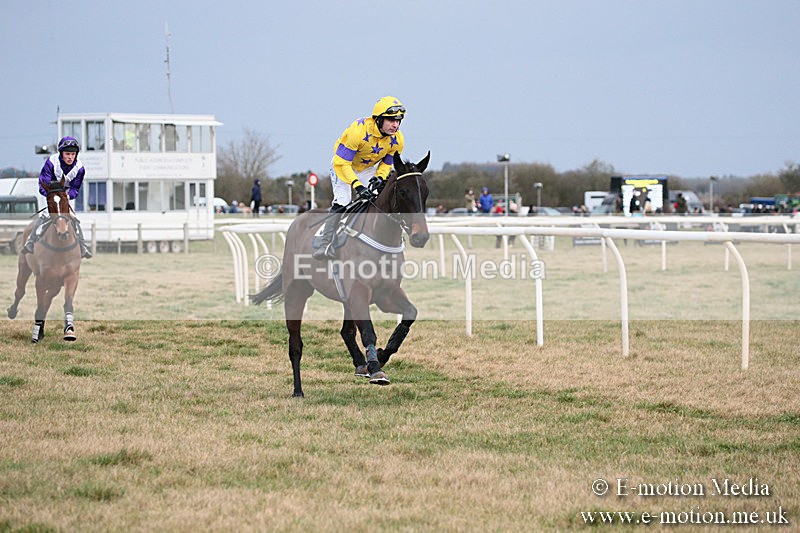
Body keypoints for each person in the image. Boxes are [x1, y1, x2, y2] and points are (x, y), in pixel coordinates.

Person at [313, 96, 406, 260]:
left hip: (366, 169)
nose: (395, 125)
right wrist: (358, 186)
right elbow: (343, 164)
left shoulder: (397, 140)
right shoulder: (357, 132)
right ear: (378, 119)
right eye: (391, 120)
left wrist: (380, 177)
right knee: (343, 199)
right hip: (342, 166)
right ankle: (325, 243)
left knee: (378, 198)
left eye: (398, 120)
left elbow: (386, 163)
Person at [23, 136, 92, 258]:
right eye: (67, 154)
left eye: (73, 154)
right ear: (61, 153)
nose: (70, 157)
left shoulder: (80, 168)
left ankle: (82, 246)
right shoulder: (51, 162)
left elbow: (75, 188)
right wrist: (52, 196)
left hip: (66, 195)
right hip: (49, 195)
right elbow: (42, 184)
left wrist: (68, 196)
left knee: (73, 218)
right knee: (44, 216)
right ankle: (31, 241)